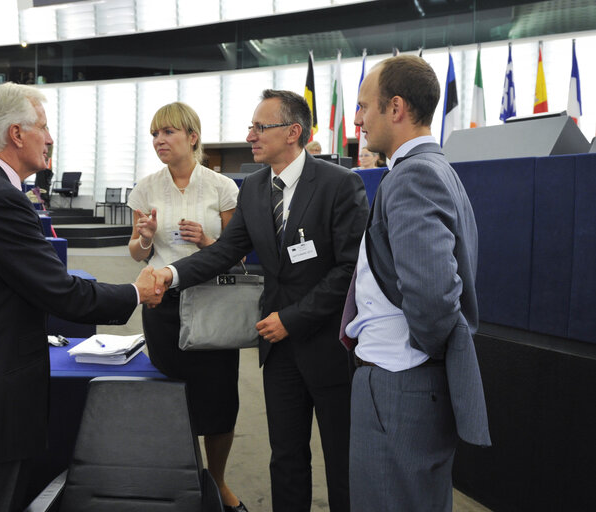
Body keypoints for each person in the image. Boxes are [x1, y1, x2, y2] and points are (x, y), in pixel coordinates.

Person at [0, 82, 163, 512]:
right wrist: (135, 291)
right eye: (44, 127)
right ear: (17, 134)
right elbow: (62, 293)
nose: (50, 138)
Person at [153, 89, 369, 512]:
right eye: (251, 126)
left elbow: (350, 270)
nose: (250, 135)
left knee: (342, 459)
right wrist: (171, 274)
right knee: (285, 456)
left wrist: (292, 319)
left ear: (293, 132)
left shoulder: (340, 185)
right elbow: (223, 252)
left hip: (329, 346)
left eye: (259, 127)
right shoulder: (252, 188)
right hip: (278, 349)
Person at [345, 54, 491, 511]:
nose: (358, 119)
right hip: (407, 382)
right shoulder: (432, 168)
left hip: (399, 384)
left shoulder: (413, 176)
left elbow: (432, 294)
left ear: (396, 108)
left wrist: (422, 355)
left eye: (364, 105)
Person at [126, 102, 246, 512]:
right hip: (163, 305)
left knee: (219, 400)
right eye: (155, 134)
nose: (159, 141)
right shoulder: (146, 188)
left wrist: (207, 242)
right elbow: (136, 252)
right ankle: (180, 478)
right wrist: (145, 236)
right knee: (171, 396)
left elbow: (238, 254)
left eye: (168, 132)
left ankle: (217, 481)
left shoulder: (222, 187)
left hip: (213, 304)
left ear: (192, 137)